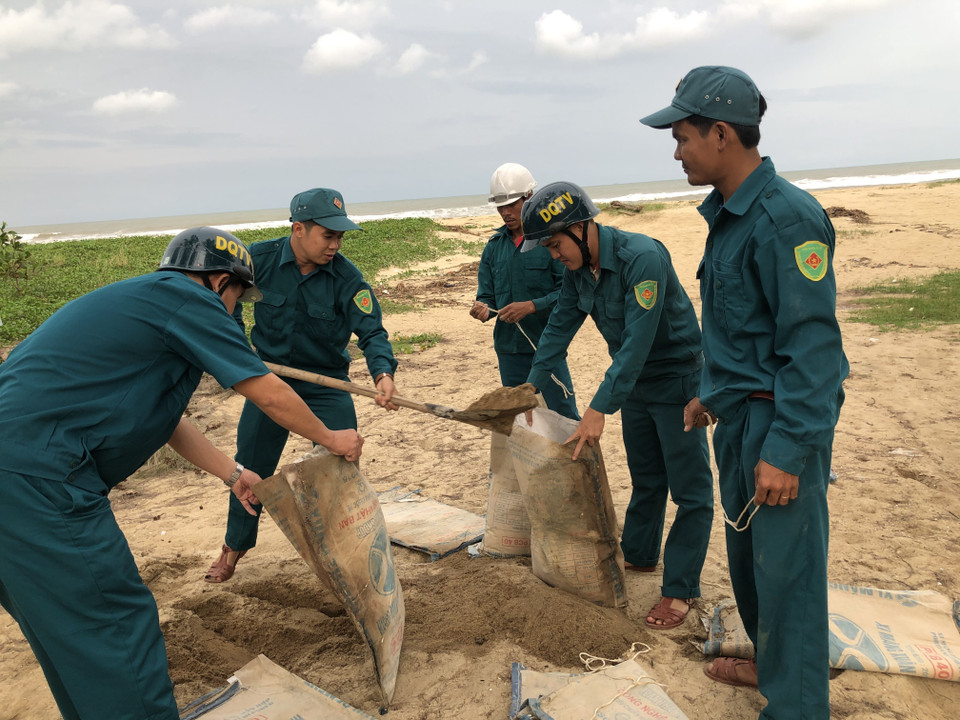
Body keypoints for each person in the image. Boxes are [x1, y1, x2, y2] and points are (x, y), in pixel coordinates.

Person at [0, 227, 364, 720]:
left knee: (69, 636)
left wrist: (233, 472)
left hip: (15, 476)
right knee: (115, 627)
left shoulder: (145, 304)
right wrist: (331, 437)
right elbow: (267, 391)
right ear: (220, 282)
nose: (234, 314)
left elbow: (166, 419)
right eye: (237, 300)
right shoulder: (190, 300)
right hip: (37, 480)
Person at [640, 66, 848, 718]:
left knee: (789, 584)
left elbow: (815, 354)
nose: (677, 152)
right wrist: (710, 395)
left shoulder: (786, 220)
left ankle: (796, 706)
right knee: (754, 573)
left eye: (682, 138)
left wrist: (786, 451)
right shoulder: (731, 217)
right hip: (736, 422)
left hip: (777, 427)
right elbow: (743, 330)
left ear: (722, 134)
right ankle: (771, 668)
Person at [520, 180, 714, 630]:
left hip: (677, 380)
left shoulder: (642, 258)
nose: (554, 255)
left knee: (690, 489)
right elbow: (558, 329)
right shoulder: (578, 272)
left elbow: (637, 343)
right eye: (548, 248)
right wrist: (530, 387)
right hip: (634, 385)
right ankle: (641, 555)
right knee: (647, 476)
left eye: (555, 244)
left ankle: (681, 587)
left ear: (580, 228)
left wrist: (598, 409)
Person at [204, 187, 399, 583]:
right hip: (268, 382)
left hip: (327, 385)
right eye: (328, 235)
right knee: (250, 470)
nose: (335, 245)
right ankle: (233, 547)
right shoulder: (257, 261)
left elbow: (372, 332)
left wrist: (383, 374)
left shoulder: (347, 278)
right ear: (298, 229)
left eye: (340, 236)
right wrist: (240, 351)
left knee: (340, 467)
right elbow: (225, 302)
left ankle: (345, 555)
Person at [469, 163, 579, 419]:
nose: (505, 213)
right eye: (500, 206)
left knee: (563, 416)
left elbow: (568, 293)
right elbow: (487, 296)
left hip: (546, 345)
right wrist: (483, 309)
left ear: (529, 197)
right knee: (519, 420)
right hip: (508, 350)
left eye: (511, 204)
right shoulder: (493, 247)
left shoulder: (550, 242)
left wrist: (531, 306)